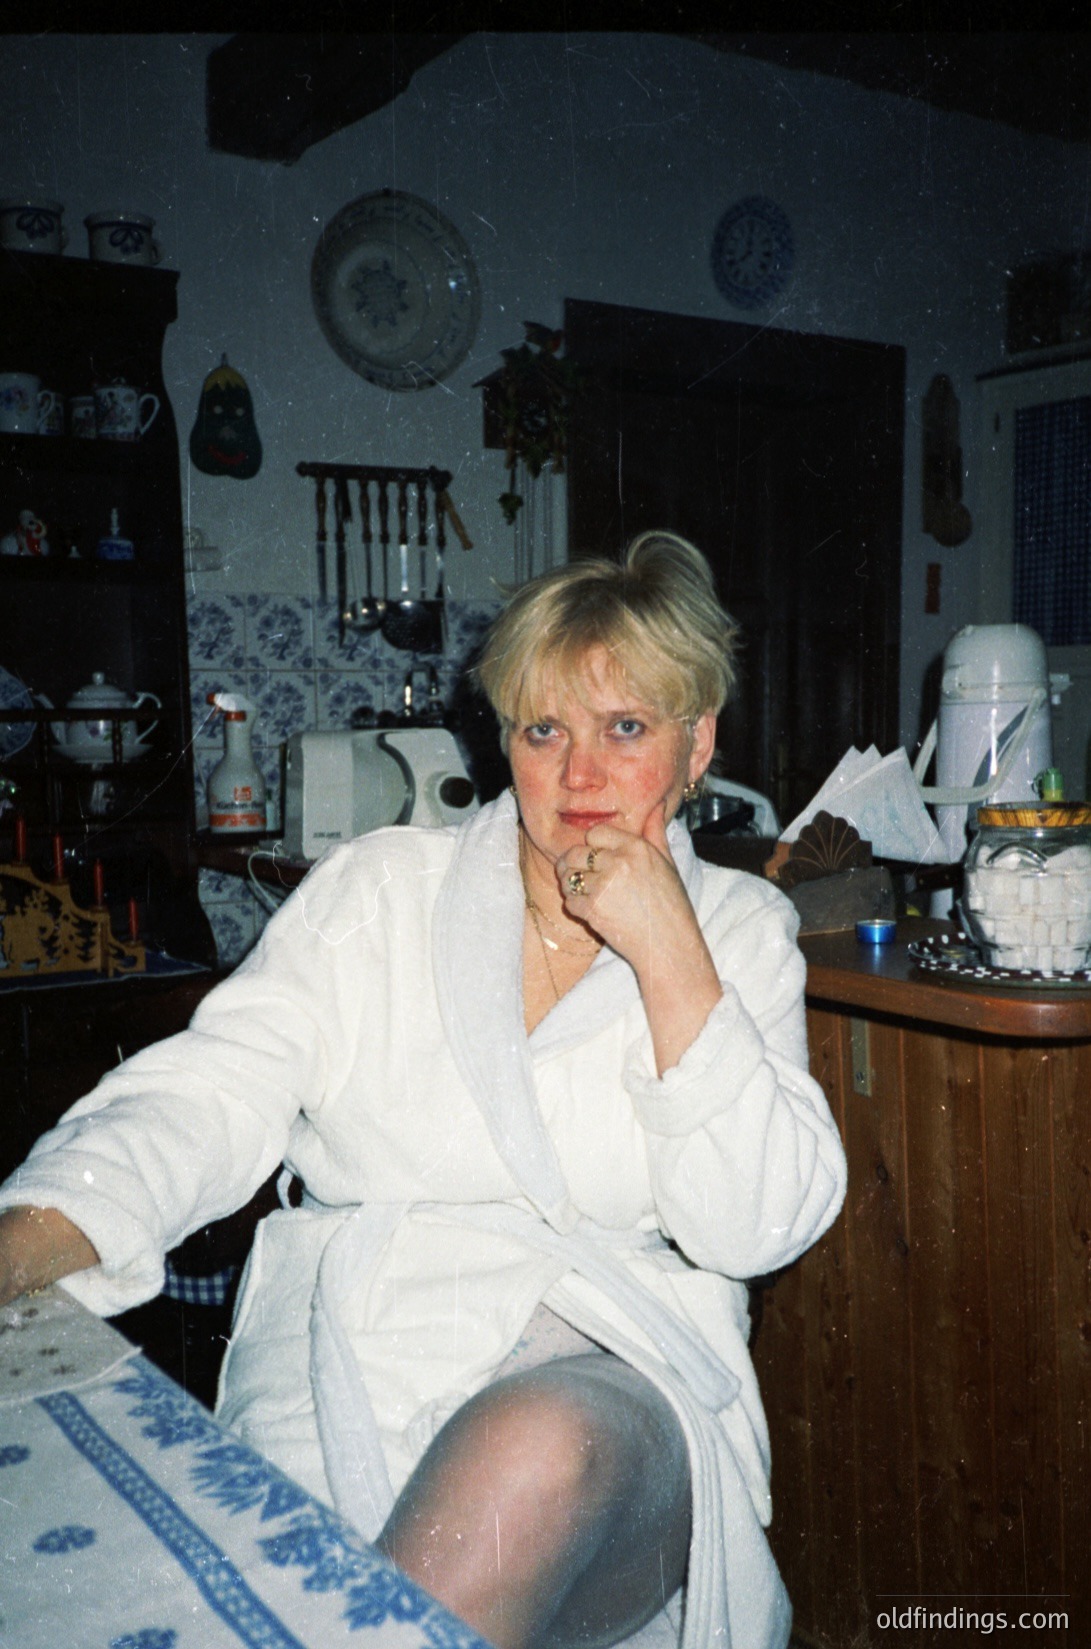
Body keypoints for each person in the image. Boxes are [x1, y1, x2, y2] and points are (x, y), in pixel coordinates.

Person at [0, 531, 847, 1649]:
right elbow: (210, 1087)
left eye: (626, 729)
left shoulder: (740, 932)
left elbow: (759, 1225)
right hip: (359, 1352)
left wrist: (668, 956)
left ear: (698, 745)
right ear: (504, 742)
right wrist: (31, 1230)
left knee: (531, 1447)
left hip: (608, 1395)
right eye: (544, 730)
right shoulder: (382, 890)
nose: (579, 775)